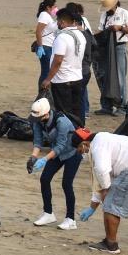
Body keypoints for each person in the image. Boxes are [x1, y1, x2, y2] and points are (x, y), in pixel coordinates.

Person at [28, 98, 82, 230]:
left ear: (46, 114)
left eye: (38, 117)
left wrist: (44, 159)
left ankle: (70, 219)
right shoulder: (38, 121)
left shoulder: (62, 122)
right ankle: (48, 213)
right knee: (44, 179)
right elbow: (38, 140)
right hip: (56, 153)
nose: (36, 120)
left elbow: (60, 146)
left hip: (72, 153)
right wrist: (33, 157)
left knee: (66, 184)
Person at [42, 6, 86, 125]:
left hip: (62, 80)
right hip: (77, 77)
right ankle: (78, 133)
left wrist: (48, 79)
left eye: (58, 21)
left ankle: (67, 137)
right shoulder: (81, 35)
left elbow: (58, 60)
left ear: (62, 22)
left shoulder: (62, 37)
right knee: (76, 111)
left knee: (63, 113)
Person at [96, 0, 128, 116]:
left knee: (120, 77)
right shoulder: (104, 15)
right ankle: (106, 106)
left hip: (120, 47)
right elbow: (101, 31)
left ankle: (122, 106)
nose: (108, 11)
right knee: (105, 76)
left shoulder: (124, 13)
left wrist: (120, 28)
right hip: (106, 48)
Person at [33, 0, 58, 92]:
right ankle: (42, 93)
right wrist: (40, 47)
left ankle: (45, 94)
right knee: (46, 72)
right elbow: (38, 31)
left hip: (49, 46)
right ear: (48, 7)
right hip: (45, 47)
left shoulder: (48, 16)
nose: (56, 8)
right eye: (54, 6)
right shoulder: (44, 15)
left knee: (47, 71)